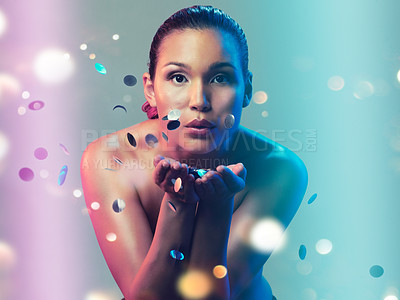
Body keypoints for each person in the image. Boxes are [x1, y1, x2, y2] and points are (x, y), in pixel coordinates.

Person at [80, 5, 308, 300]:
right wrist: (178, 204)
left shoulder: (280, 169)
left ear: (247, 88)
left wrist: (217, 206)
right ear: (150, 89)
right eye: (178, 77)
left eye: (221, 78)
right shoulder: (112, 159)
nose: (199, 100)